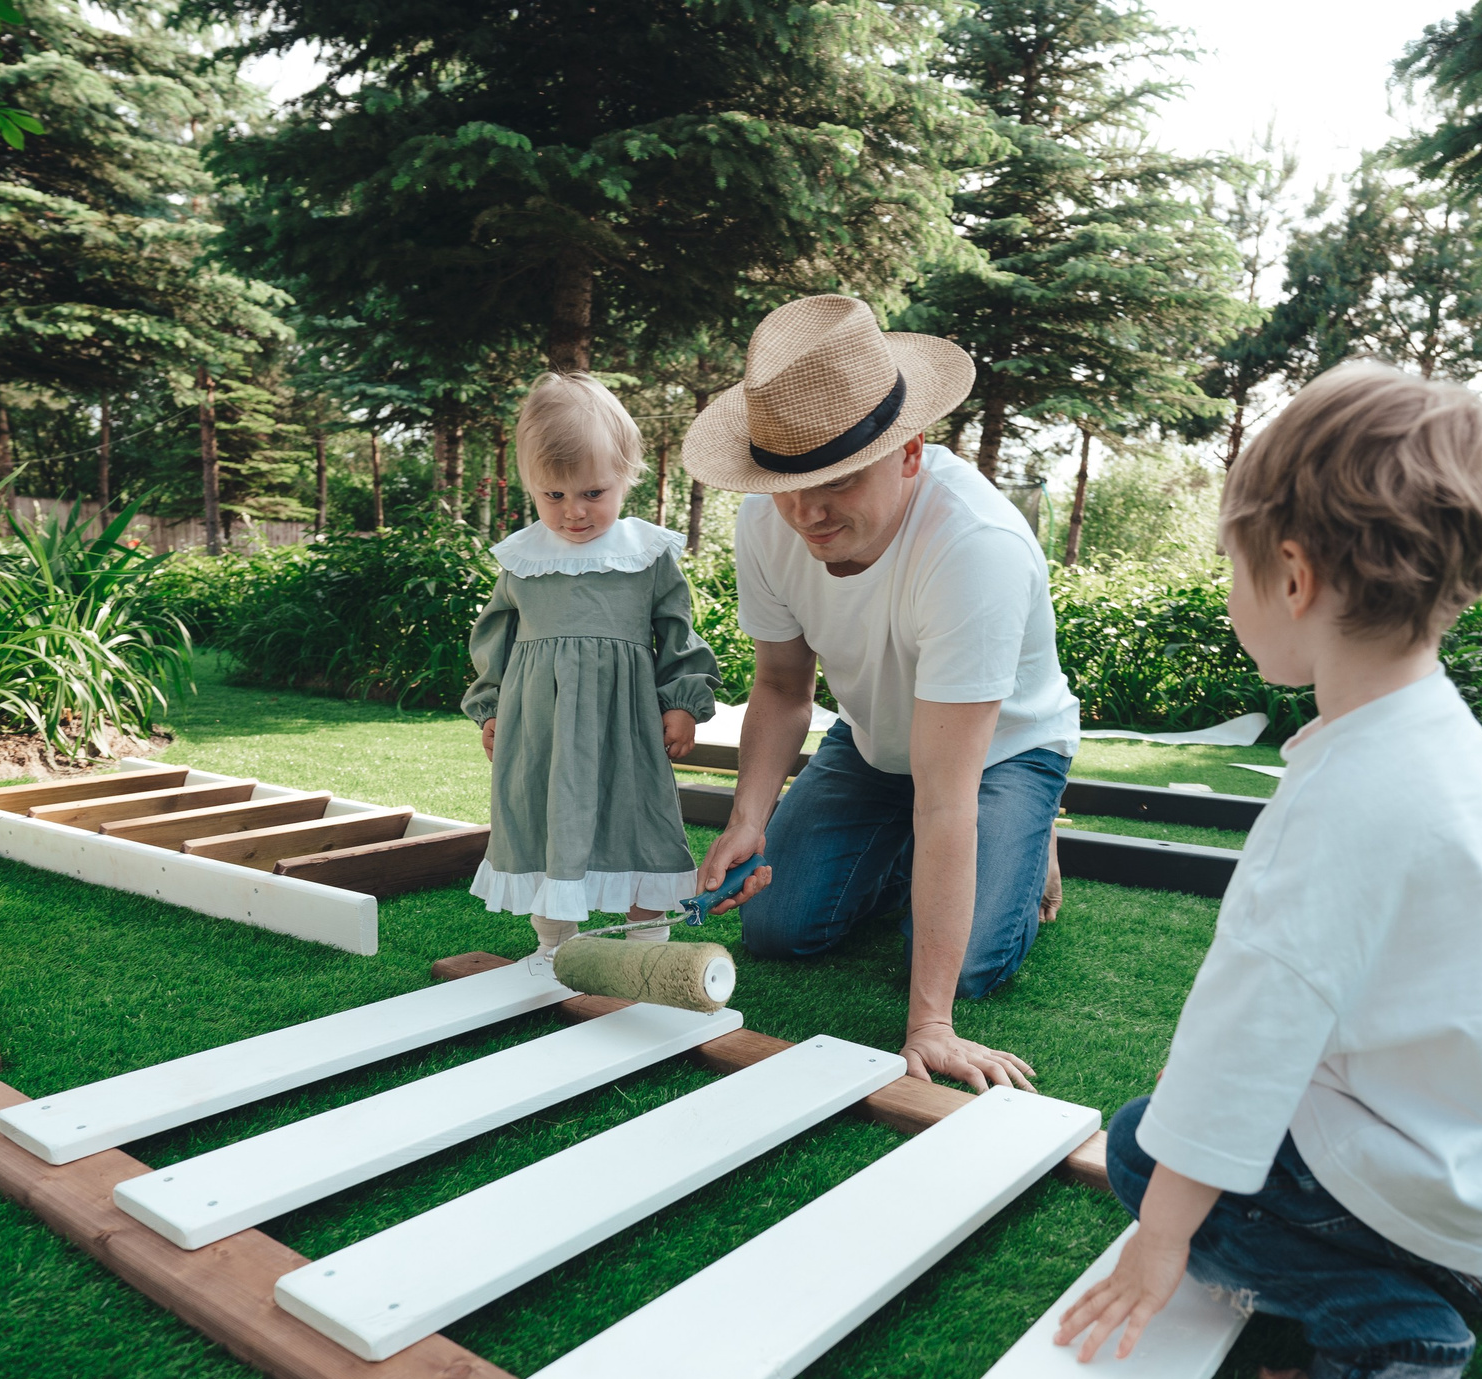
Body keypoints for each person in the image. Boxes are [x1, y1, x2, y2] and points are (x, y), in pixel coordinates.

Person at [1052, 363, 1482, 1379]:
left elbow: (1244, 1045)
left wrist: (1160, 1241)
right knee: (1205, 1132)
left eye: (1229, 567)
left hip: (1397, 1181)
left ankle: (1394, 1336)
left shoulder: (1342, 803)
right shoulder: (1456, 744)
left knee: (1142, 1147)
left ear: (1293, 576)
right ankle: (1476, 1276)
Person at [679, 295, 1081, 1091]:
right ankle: (928, 849)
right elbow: (782, 684)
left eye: (838, 479)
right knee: (776, 927)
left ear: (909, 453)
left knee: (965, 965)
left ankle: (1029, 832)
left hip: (997, 755)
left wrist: (930, 1026)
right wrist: (749, 818)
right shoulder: (766, 523)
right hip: (872, 742)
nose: (808, 513)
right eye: (788, 482)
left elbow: (946, 798)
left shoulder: (977, 547)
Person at [463, 371, 721, 954]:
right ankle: (555, 947)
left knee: (640, 817)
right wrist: (489, 708)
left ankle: (646, 945)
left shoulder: (645, 555)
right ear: (531, 486)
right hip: (541, 725)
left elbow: (676, 632)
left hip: (625, 724)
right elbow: (494, 638)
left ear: (626, 478)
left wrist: (682, 702)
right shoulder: (524, 559)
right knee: (546, 818)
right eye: (553, 496)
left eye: (592, 493)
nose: (573, 512)